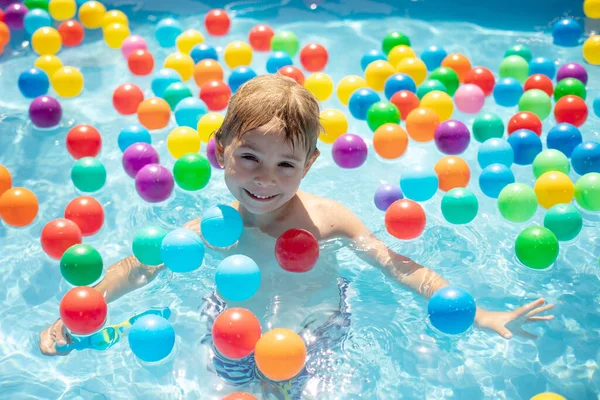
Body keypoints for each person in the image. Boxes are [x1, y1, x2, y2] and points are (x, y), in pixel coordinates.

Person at [40, 74, 554, 385]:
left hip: (318, 331)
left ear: (309, 165)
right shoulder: (213, 229)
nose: (265, 178)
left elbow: (395, 265)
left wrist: (475, 311)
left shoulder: (329, 220)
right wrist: (90, 306)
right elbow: (140, 267)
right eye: (248, 157)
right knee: (234, 387)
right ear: (219, 152)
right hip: (232, 329)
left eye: (285, 165)